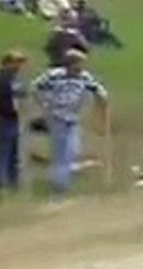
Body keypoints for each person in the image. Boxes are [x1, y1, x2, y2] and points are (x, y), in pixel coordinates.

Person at [31, 49, 109, 197]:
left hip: (73, 118)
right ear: (71, 63)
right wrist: (45, 103)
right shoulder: (54, 75)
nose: (81, 66)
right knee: (61, 153)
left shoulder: (84, 77)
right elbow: (35, 87)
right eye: (79, 63)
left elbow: (99, 91)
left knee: (73, 150)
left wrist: (102, 99)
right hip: (57, 118)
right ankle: (59, 187)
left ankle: (62, 179)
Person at [0, 50, 28, 192]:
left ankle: (13, 180)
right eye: (16, 62)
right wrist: (12, 110)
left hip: (15, 119)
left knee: (14, 151)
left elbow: (23, 96)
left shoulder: (16, 80)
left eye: (20, 62)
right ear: (8, 63)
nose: (19, 66)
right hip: (5, 119)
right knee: (4, 150)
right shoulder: (0, 80)